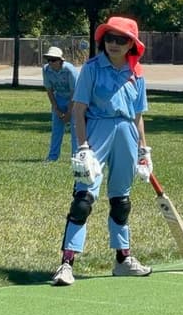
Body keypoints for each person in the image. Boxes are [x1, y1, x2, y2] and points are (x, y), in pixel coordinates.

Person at [51, 16, 153, 286]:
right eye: (110, 38)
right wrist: (83, 146)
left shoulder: (136, 72)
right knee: (83, 199)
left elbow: (138, 115)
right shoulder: (92, 68)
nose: (114, 44)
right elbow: (79, 110)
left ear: (131, 44)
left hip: (127, 134)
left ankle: (123, 260)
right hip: (97, 131)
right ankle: (66, 263)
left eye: (121, 40)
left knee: (121, 200)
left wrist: (143, 150)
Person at [42, 46, 79, 162]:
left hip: (74, 100)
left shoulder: (70, 70)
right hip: (59, 98)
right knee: (56, 130)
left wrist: (69, 112)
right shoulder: (46, 70)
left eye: (53, 60)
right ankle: (52, 157)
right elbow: (49, 90)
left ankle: (76, 157)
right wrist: (56, 108)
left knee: (75, 130)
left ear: (60, 60)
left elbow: (75, 92)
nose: (50, 63)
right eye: (48, 60)